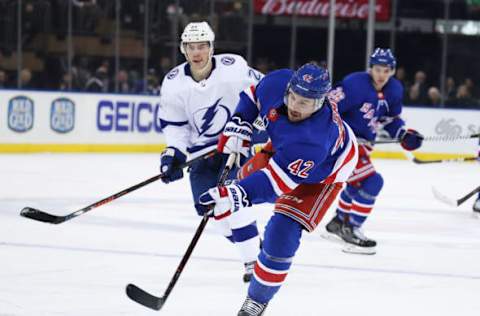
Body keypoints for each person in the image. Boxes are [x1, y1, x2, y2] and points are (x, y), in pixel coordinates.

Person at [199, 63, 359, 315]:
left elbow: (276, 184)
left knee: (281, 233)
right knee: (235, 190)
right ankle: (253, 253)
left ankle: (258, 298)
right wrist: (240, 121)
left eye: (304, 103)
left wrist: (237, 194)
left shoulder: (312, 140)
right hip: (286, 152)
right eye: (292, 96)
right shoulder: (278, 82)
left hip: (324, 175)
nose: (294, 106)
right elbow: (253, 96)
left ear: (320, 103)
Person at [158, 21, 264, 282]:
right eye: (191, 47)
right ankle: (256, 249)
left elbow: (265, 89)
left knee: (232, 198)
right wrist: (174, 152)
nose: (197, 52)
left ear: (211, 47)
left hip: (236, 146)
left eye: (202, 46)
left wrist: (261, 120)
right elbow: (175, 125)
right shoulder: (173, 83)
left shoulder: (234, 67)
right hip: (201, 155)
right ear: (183, 49)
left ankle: (254, 264)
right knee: (214, 212)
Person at [323, 48, 424, 254]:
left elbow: (390, 120)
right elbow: (328, 108)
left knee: (356, 185)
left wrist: (403, 134)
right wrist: (336, 135)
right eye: (378, 69)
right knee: (372, 182)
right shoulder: (353, 83)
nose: (381, 75)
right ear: (371, 68)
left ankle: (339, 221)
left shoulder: (394, 89)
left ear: (393, 71)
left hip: (364, 145)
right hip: (343, 144)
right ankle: (352, 228)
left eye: (386, 70)